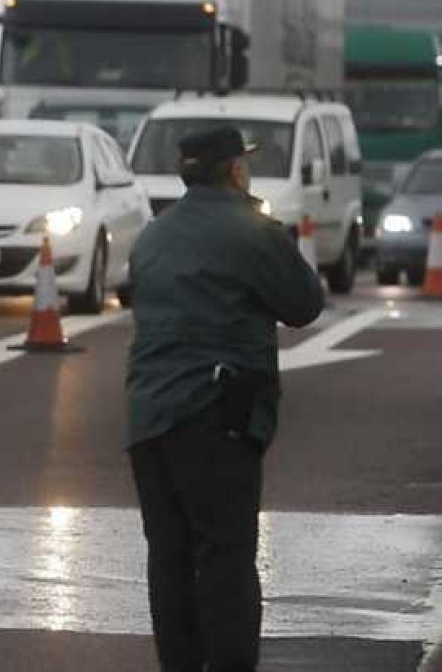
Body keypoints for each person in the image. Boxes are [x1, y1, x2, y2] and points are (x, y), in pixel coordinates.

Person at [125, 125, 325, 672]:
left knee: (168, 556)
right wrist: (271, 231)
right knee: (226, 555)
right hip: (215, 413)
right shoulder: (250, 231)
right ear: (235, 170)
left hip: (147, 418)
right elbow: (304, 302)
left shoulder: (154, 234)